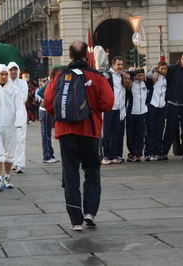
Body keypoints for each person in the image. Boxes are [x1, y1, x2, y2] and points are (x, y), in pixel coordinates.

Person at [44, 41, 114, 231]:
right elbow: (108, 104)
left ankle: (75, 221)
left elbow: (49, 102)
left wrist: (61, 118)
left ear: (70, 55)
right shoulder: (97, 76)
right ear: (87, 55)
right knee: (92, 172)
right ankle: (90, 212)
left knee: (70, 174)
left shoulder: (59, 75)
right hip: (90, 132)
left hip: (66, 132)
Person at [153, 53, 183, 160]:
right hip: (173, 104)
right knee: (170, 128)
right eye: (182, 59)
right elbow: (160, 68)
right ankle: (164, 152)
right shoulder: (174, 68)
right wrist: (155, 72)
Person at [101, 56, 126, 164]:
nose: (120, 66)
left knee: (116, 133)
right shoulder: (107, 75)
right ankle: (104, 156)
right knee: (106, 133)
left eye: (121, 64)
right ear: (113, 65)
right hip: (108, 108)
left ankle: (113, 155)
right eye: (118, 64)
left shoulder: (121, 76)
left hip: (118, 108)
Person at [7, 62, 29, 174]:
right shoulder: (5, 84)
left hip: (20, 114)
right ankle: (12, 162)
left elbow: (23, 98)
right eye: (11, 70)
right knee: (10, 139)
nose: (13, 72)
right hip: (8, 114)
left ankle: (20, 164)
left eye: (15, 69)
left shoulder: (23, 83)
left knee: (20, 138)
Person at [144, 61, 168, 161]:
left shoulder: (168, 78)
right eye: (161, 69)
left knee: (159, 130)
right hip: (152, 106)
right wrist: (154, 71)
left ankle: (157, 152)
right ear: (158, 69)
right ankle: (148, 153)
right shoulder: (152, 77)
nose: (164, 70)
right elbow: (142, 75)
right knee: (150, 130)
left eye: (165, 69)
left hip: (161, 107)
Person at [36, 67, 60, 163]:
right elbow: (40, 92)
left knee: (48, 133)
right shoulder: (50, 83)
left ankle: (50, 153)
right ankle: (46, 155)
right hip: (45, 110)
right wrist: (48, 99)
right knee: (45, 133)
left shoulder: (54, 82)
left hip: (47, 110)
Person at [125, 68, 148, 162]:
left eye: (143, 75)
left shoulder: (147, 82)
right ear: (135, 76)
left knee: (140, 133)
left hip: (142, 112)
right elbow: (125, 73)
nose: (141, 77)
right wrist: (132, 73)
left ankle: (138, 153)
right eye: (139, 75)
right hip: (131, 112)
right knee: (130, 133)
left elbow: (155, 73)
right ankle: (132, 152)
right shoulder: (131, 83)